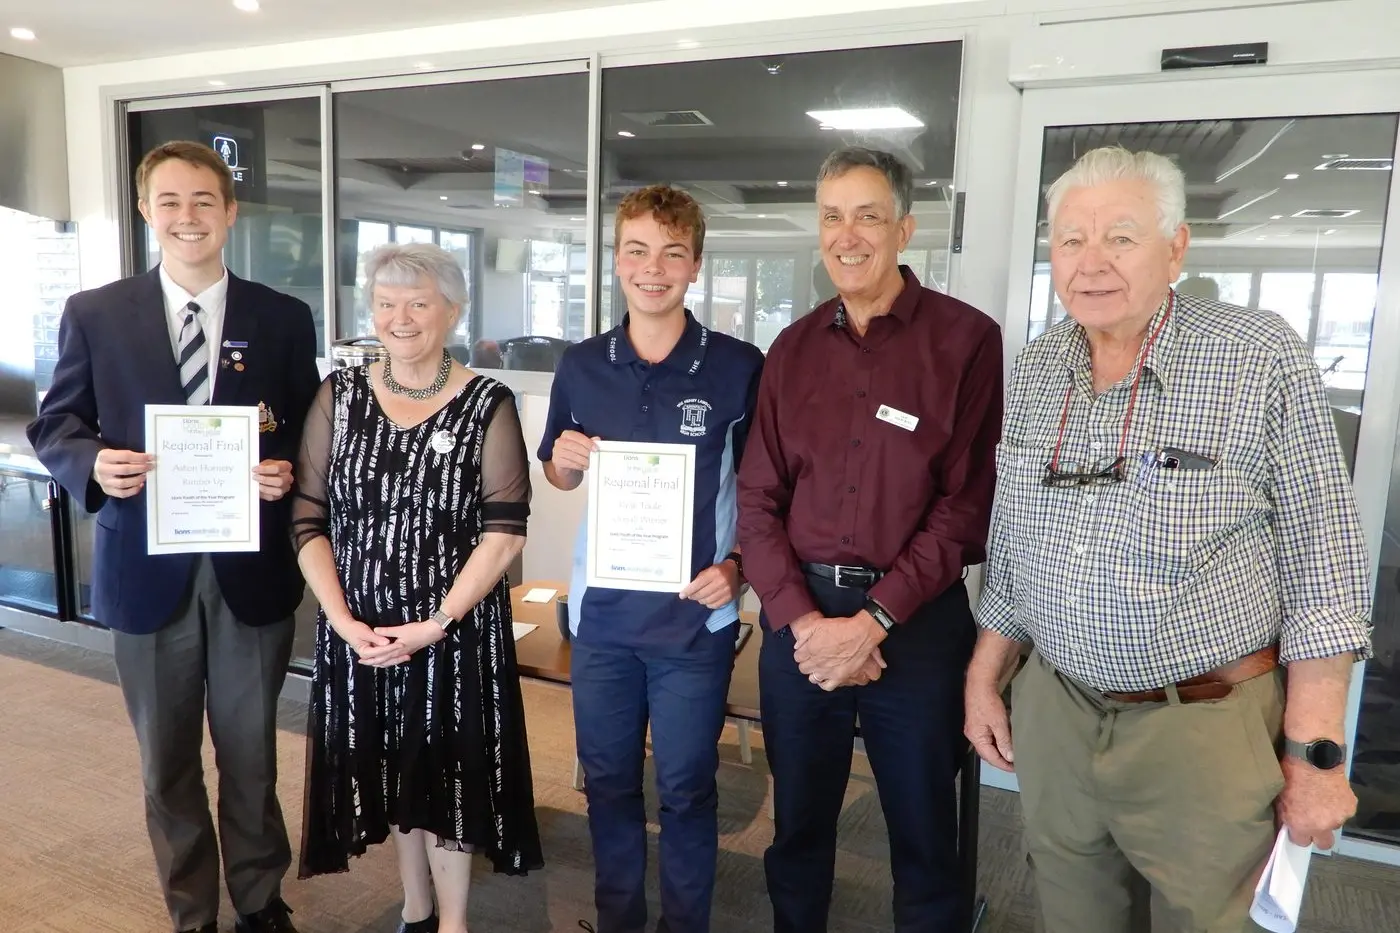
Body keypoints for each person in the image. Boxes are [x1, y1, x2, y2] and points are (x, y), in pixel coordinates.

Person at [964, 146, 1374, 933]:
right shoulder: (1040, 366)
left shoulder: (1258, 356)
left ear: (1176, 247)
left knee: (1212, 921)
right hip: (1056, 709)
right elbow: (1011, 546)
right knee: (1072, 913)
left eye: (1120, 237)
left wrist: (1317, 753)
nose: (1091, 262)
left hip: (1203, 725)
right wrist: (986, 675)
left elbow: (1324, 568)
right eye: (1071, 239)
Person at [27, 140, 320, 933]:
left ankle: (259, 898)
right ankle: (193, 909)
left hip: (249, 568)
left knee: (252, 753)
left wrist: (287, 467)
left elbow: (309, 427)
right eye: (170, 202)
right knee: (166, 760)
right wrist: (94, 462)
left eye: (203, 201)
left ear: (230, 212)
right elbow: (57, 422)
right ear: (145, 212)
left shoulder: (281, 317)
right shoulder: (95, 313)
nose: (187, 217)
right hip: (143, 568)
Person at [736, 146, 1003, 933]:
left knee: (924, 838)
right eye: (831, 216)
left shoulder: (966, 341)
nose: (846, 235)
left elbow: (965, 506)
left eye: (868, 216)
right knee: (797, 829)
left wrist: (873, 620)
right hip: (801, 622)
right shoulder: (791, 350)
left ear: (904, 228)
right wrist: (803, 621)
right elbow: (757, 496)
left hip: (915, 626)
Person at [293, 243, 543, 933]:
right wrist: (342, 621)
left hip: (452, 633)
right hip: (362, 633)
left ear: (452, 311)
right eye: (385, 303)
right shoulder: (339, 395)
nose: (399, 318)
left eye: (418, 303)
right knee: (390, 770)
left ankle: (453, 922)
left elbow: (505, 532)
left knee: (447, 779)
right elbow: (308, 518)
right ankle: (416, 909)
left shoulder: (487, 403)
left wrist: (436, 622)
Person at [540, 185, 764, 933]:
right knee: (607, 785)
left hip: (694, 624)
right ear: (616, 260)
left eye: (672, 253)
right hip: (602, 622)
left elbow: (764, 488)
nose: (653, 268)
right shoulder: (582, 365)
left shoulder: (738, 366)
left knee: (687, 789)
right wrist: (565, 462)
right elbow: (558, 473)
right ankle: (619, 921)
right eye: (636, 250)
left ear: (695, 264)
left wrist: (738, 567)